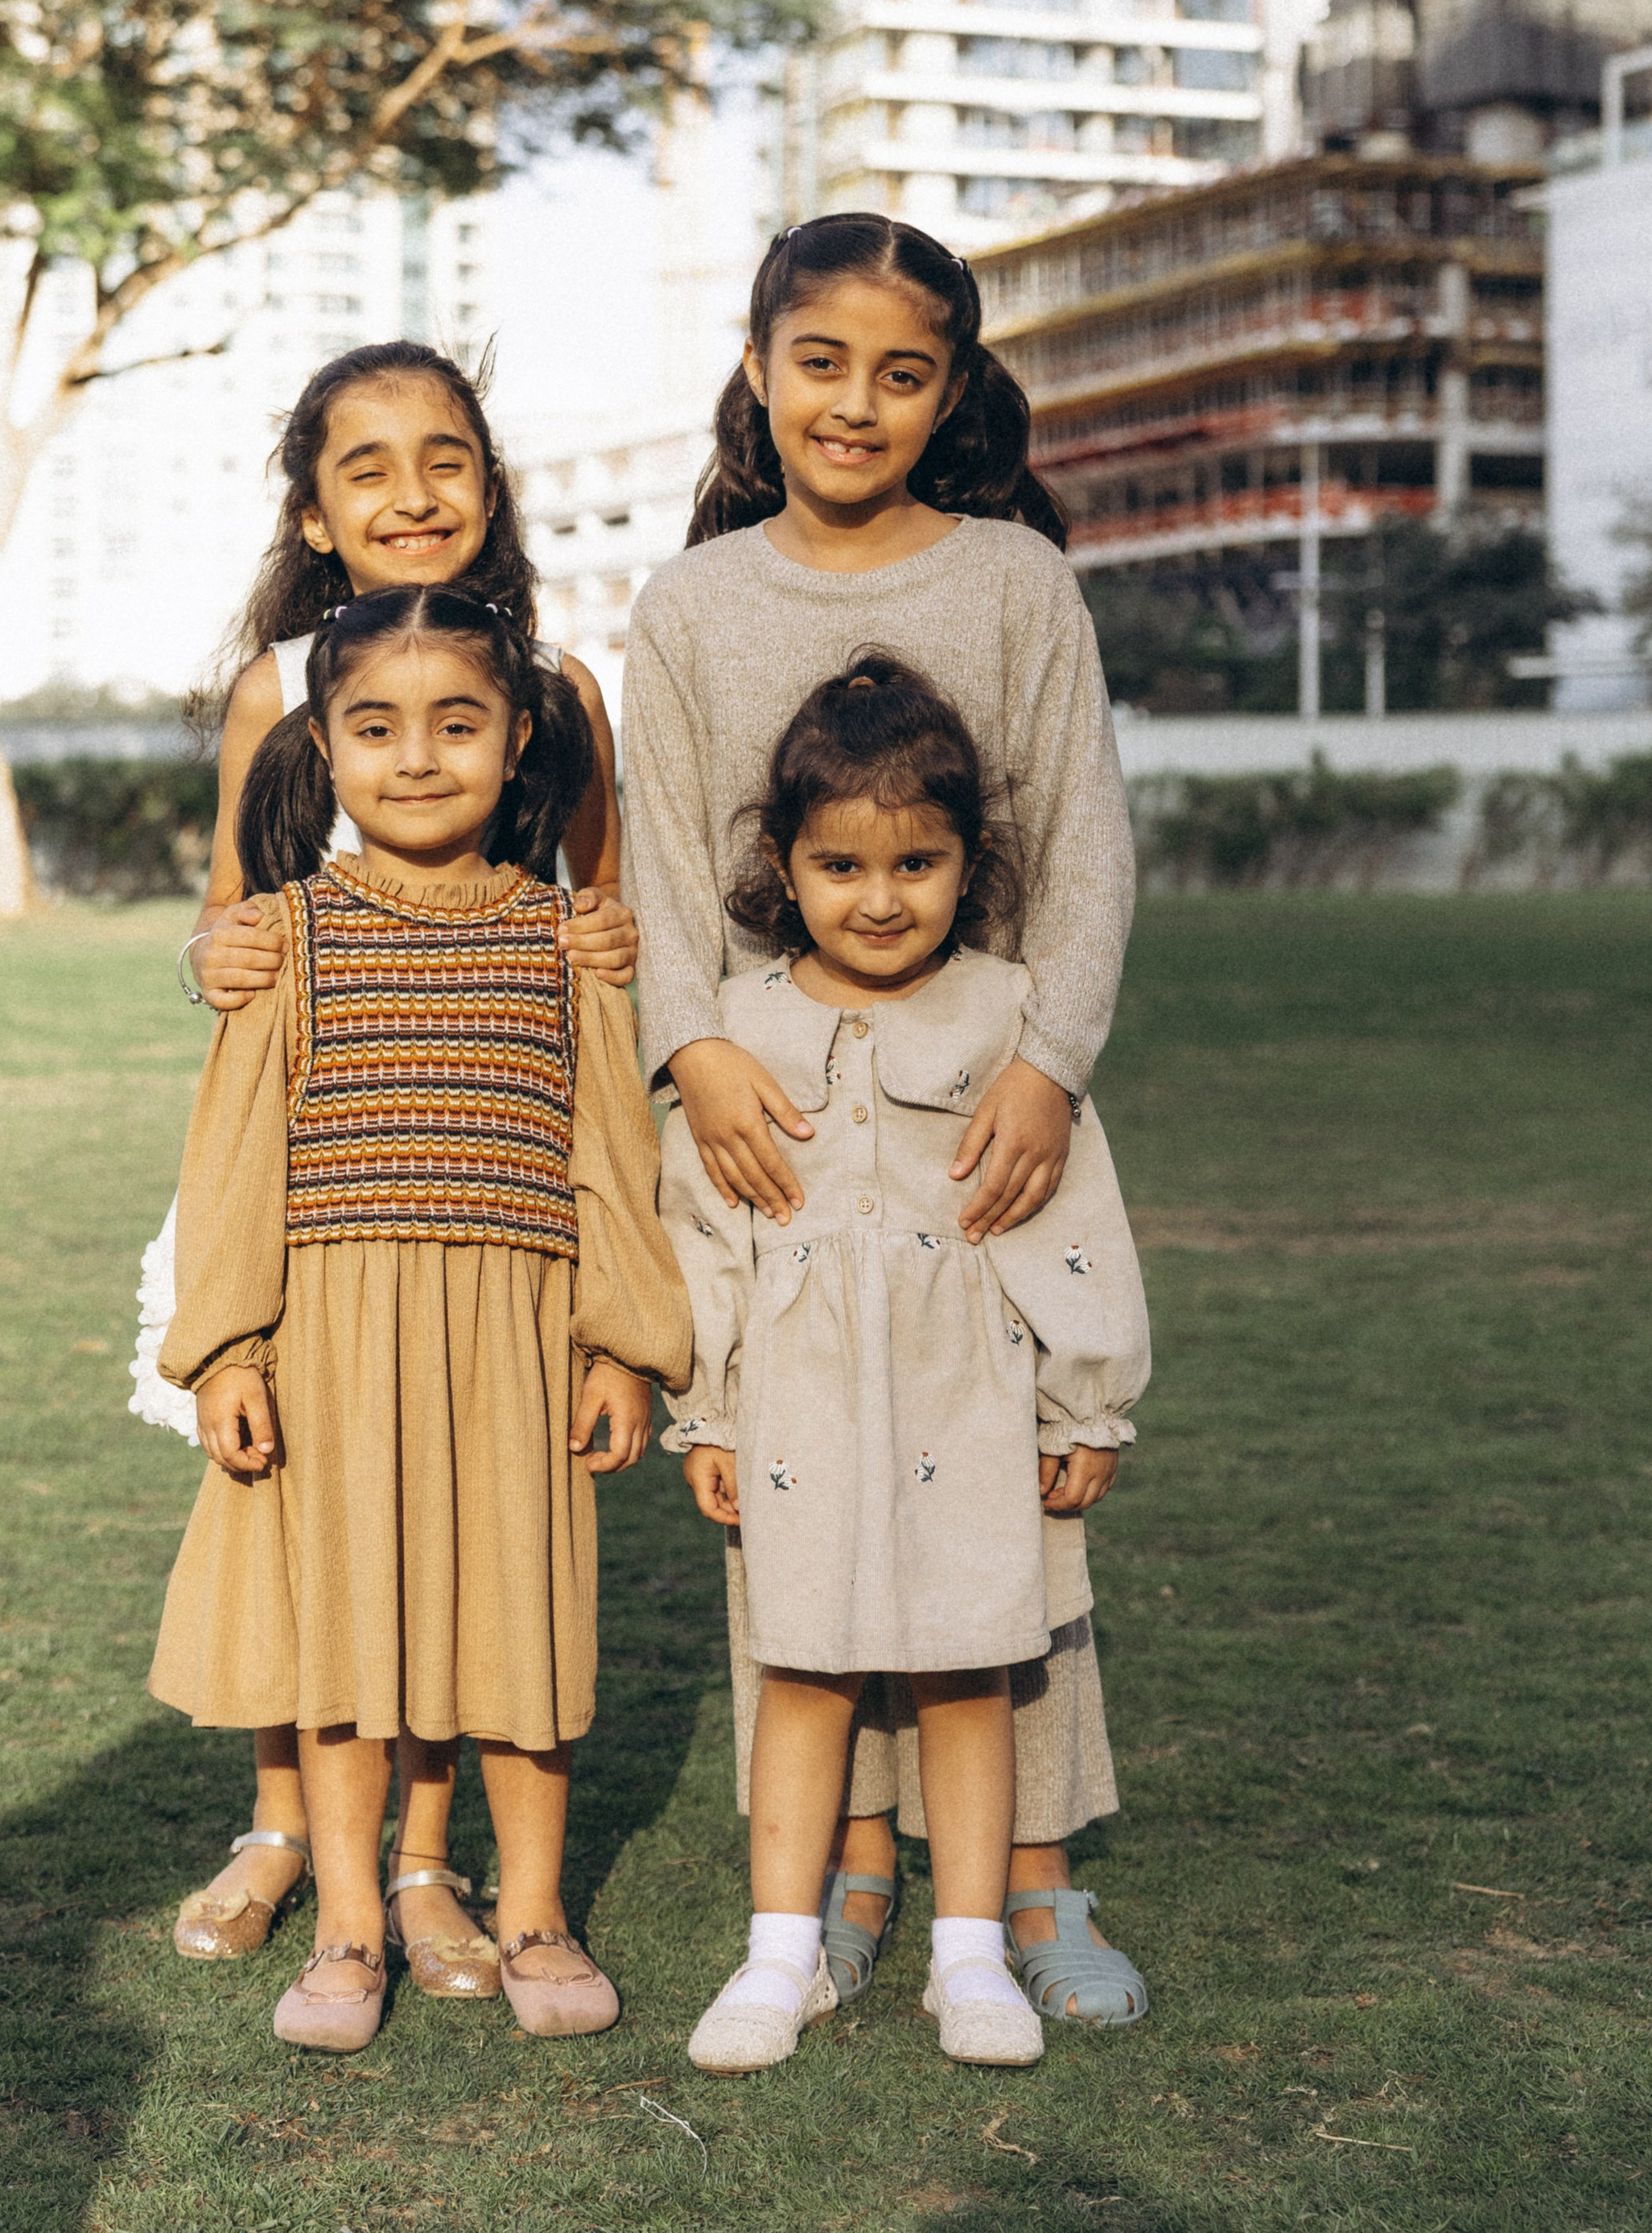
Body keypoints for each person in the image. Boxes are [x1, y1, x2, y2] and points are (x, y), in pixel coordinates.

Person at [622, 212, 1149, 2031]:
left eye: (901, 372)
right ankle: (841, 1875)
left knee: (1014, 1519)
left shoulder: (1014, 583)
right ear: (758, 368)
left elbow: (1082, 846)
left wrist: (1047, 1063)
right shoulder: (691, 604)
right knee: (802, 1501)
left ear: (951, 392)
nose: (855, 402)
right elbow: (663, 866)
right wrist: (692, 1056)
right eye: (820, 362)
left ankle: (1031, 1881)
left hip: (976, 1117)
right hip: (768, 1109)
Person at [134, 340, 635, 1989]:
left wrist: (605, 941)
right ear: (314, 512)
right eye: (368, 467)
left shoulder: (552, 688)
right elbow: (229, 903)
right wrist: (216, 954)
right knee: (307, 1517)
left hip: (486, 1166)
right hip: (319, 1157)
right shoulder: (279, 685)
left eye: (445, 458)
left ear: (489, 486)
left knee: (448, 1520)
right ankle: (285, 1832)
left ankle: (423, 1867)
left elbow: (596, 902)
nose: (411, 493)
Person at [662, 656, 1148, 2070]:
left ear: (967, 861)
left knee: (970, 1672)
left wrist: (1088, 1401)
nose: (880, 899)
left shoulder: (1011, 1021)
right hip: (800, 1400)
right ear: (783, 863)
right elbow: (703, 1230)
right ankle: (780, 1956)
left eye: (916, 864)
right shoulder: (735, 1032)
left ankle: (971, 1959)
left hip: (965, 1396)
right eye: (842, 866)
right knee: (803, 1671)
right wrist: (708, 1412)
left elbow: (1069, 1217)